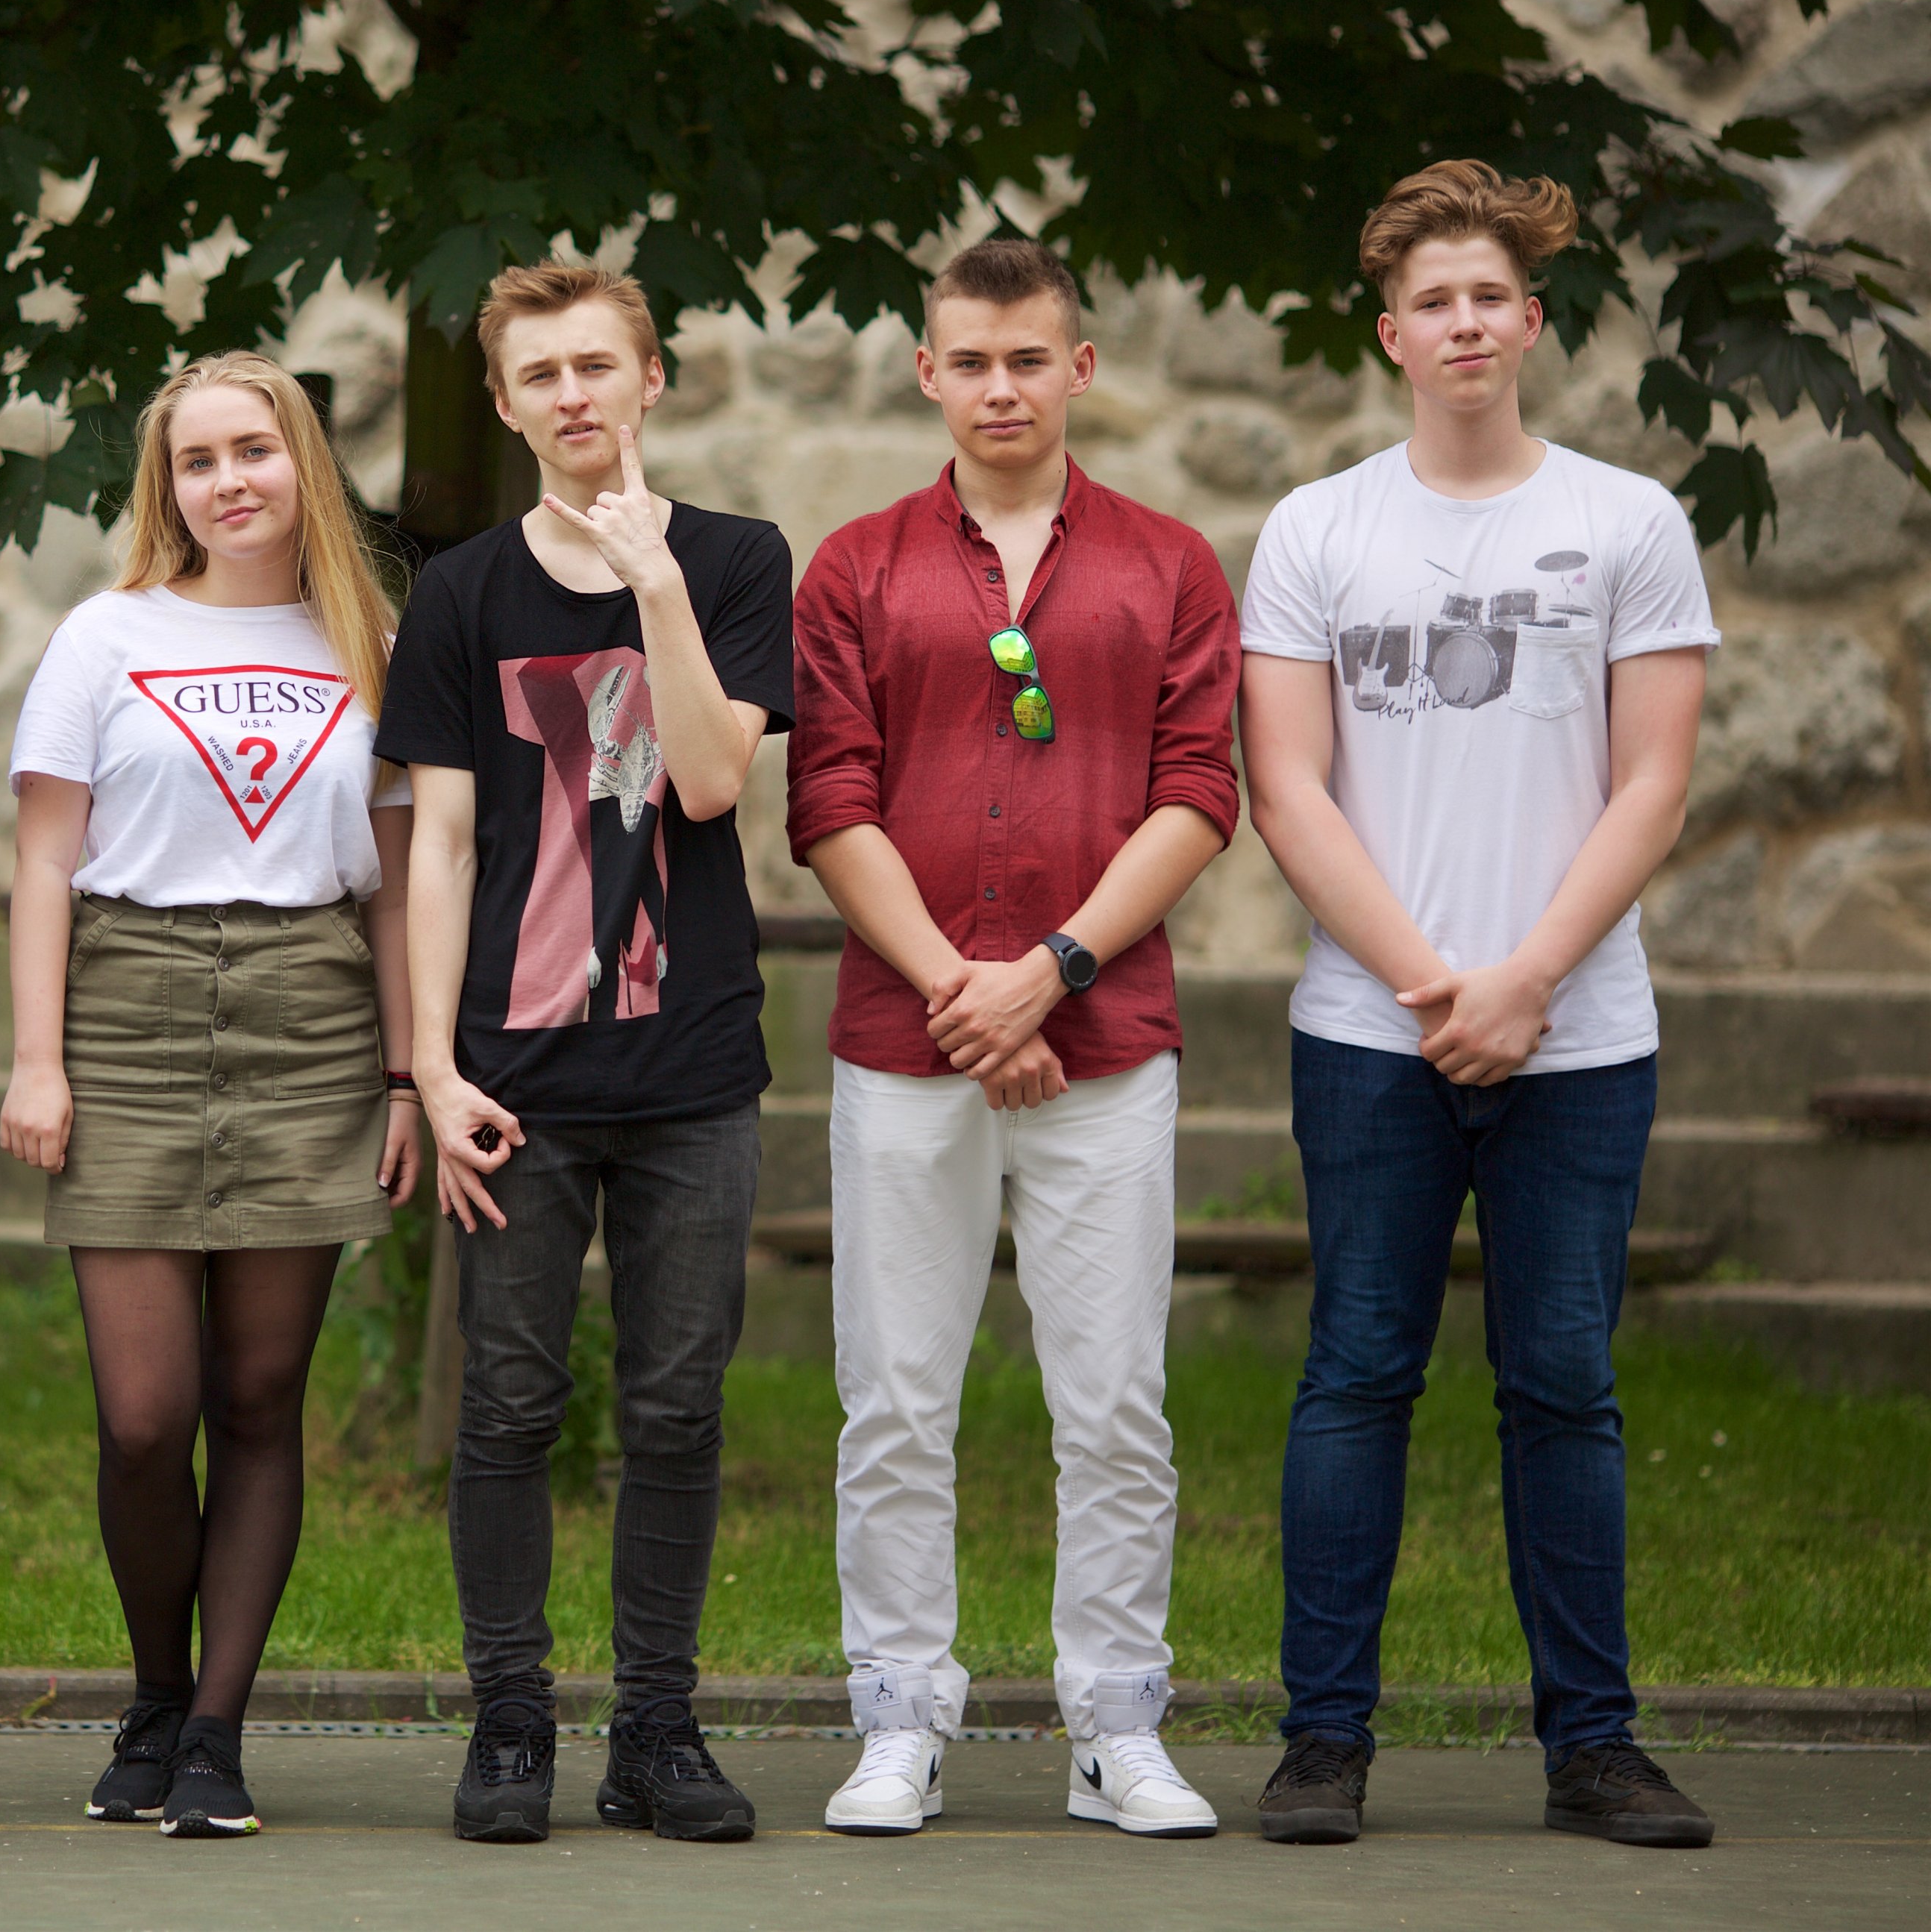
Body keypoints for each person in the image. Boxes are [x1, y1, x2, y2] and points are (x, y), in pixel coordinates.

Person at [1239, 161, 1716, 1850]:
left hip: (1579, 1039)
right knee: (1356, 1373)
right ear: (1390, 333)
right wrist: (1431, 982)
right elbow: (1289, 790)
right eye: (1430, 301)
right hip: (1370, 1038)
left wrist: (1526, 980)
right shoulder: (1315, 530)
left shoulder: (1627, 521)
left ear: (1531, 320)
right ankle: (1321, 1745)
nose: (1461, 323)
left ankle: (1594, 1747)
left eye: (1487, 298)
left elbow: (1652, 783)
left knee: (1563, 1385)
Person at [788, 239, 1242, 1840]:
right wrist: (964, 997)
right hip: (902, 1041)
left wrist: (1044, 974)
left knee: (1113, 1399)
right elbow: (828, 800)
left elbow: (1200, 792)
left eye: (1026, 359)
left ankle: (1116, 1727)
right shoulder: (853, 567)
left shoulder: (1170, 564)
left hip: (1103, 1042)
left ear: (1079, 368)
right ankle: (899, 1720)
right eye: (970, 360)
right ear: (927, 371)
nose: (999, 387)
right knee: (894, 1400)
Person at [381, 262, 793, 1846]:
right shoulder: (462, 593)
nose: (572, 395)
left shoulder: (736, 561)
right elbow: (438, 846)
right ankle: (508, 1727)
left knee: (676, 1410)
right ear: (503, 403)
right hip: (513, 1080)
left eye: (596, 366)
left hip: (690, 1071)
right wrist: (432, 1067)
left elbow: (706, 783)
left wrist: (654, 585)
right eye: (540, 374)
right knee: (507, 1406)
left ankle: (657, 1732)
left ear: (649, 380)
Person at [0, 351, 421, 1840]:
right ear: (164, 485)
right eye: (197, 459)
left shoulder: (372, 642)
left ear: (301, 462)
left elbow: (397, 886)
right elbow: (44, 858)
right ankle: (153, 1690)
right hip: (128, 1004)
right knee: (143, 1413)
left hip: (312, 1012)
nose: (228, 480)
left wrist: (406, 1073)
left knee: (256, 1397)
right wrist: (38, 1056)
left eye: (253, 450)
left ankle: (215, 1732)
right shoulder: (104, 634)